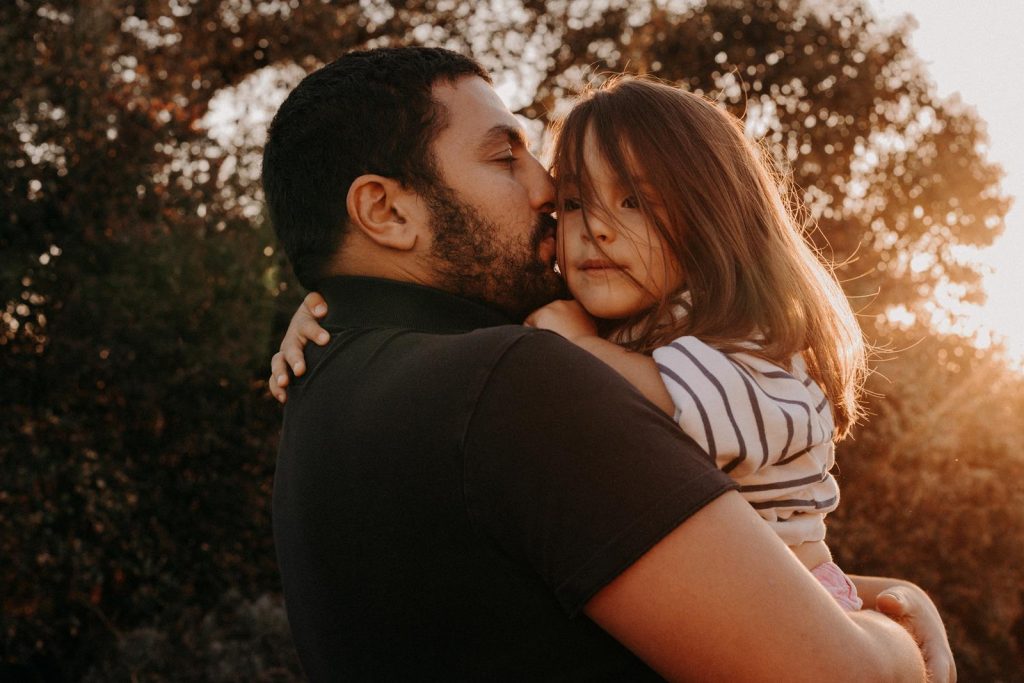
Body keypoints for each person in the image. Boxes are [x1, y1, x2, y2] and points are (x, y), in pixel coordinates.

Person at [264, 46, 953, 681]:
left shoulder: (326, 383)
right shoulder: (516, 381)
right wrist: (900, 633)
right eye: (506, 157)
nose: (546, 192)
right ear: (384, 211)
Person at [518, 76, 861, 610]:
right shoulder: (607, 324)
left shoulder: (746, 333)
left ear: (712, 218)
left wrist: (581, 348)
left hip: (795, 609)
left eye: (633, 200)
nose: (597, 229)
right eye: (575, 202)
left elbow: (694, 409)